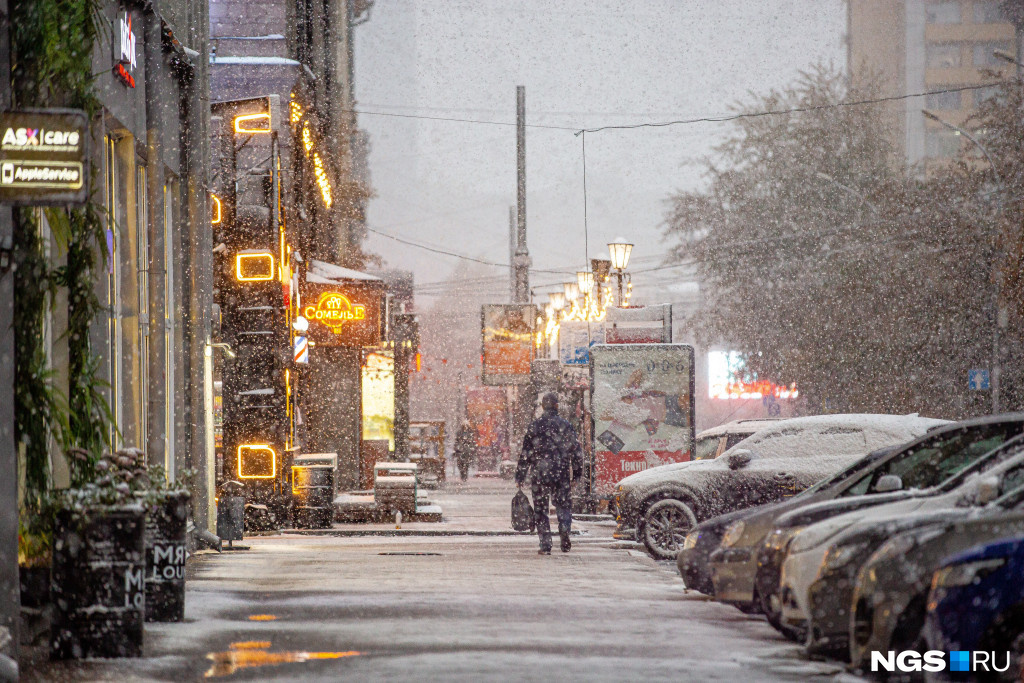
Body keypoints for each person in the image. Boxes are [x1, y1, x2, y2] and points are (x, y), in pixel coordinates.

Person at [515, 393, 583, 555]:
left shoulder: (535, 426)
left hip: (540, 473)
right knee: (563, 505)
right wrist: (577, 473)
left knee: (540, 508)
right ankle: (565, 529)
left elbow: (526, 453)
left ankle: (545, 544)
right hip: (561, 472)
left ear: (543, 407)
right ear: (557, 406)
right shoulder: (565, 426)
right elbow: (576, 451)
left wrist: (521, 475)